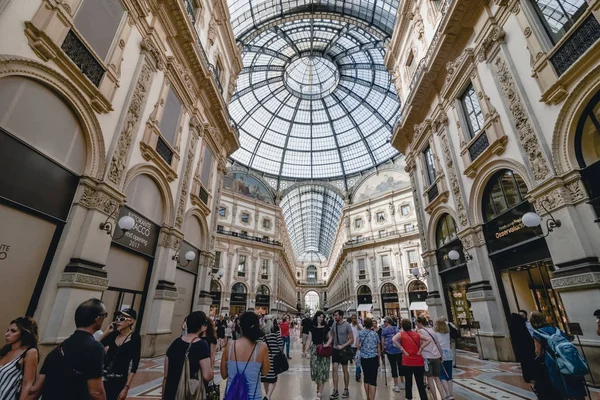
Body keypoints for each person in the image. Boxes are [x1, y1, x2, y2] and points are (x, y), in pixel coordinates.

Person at [36, 298, 108, 400]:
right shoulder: (95, 348)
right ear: (98, 319)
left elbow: (36, 389)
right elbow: (96, 392)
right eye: (105, 315)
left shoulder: (58, 348)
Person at [530, 311, 586, 400]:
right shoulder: (556, 329)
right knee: (574, 380)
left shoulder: (537, 333)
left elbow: (538, 352)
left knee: (560, 384)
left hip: (553, 361)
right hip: (569, 358)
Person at [162, 311, 213, 400]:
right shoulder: (201, 345)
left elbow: (166, 375)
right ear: (203, 327)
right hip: (189, 394)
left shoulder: (175, 343)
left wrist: (163, 396)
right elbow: (207, 375)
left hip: (171, 393)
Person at [221, 312, 270, 400]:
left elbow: (224, 375)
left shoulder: (230, 345)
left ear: (240, 327)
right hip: (254, 397)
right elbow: (265, 372)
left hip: (231, 396)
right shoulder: (262, 347)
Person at [99, 308, 141, 400]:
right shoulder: (113, 335)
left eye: (122, 319)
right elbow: (95, 347)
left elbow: (135, 365)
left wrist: (126, 388)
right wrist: (106, 333)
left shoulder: (135, 338)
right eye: (117, 318)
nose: (118, 321)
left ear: (131, 321)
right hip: (104, 379)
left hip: (119, 381)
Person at [0, 317, 38, 400]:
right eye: (7, 330)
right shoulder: (5, 351)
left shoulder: (30, 352)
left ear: (23, 333)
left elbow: (27, 385)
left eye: (13, 331)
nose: (7, 334)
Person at [392, 318, 430, 400]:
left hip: (407, 361)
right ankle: (424, 398)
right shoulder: (416, 334)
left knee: (408, 382)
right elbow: (428, 339)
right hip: (418, 361)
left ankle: (409, 397)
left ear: (402, 326)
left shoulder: (401, 334)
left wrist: (402, 349)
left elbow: (393, 339)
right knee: (420, 383)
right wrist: (421, 348)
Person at [416, 316, 446, 400]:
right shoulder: (432, 330)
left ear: (420, 322)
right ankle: (443, 397)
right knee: (437, 377)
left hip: (426, 357)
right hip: (436, 355)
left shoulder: (420, 331)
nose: (417, 325)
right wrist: (441, 355)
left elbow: (420, 344)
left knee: (429, 378)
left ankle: (435, 398)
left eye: (417, 323)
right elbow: (437, 344)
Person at [306, 311, 333, 400]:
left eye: (322, 317)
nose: (321, 318)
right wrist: (306, 350)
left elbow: (331, 337)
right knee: (315, 370)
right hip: (314, 350)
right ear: (316, 317)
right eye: (320, 317)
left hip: (323, 350)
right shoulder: (312, 327)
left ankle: (319, 393)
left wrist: (327, 344)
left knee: (323, 370)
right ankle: (319, 387)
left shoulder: (325, 327)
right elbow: (309, 339)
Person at [330, 309, 354, 399]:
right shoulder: (334, 324)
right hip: (335, 349)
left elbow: (352, 339)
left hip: (344, 350)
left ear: (341, 316)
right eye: (334, 316)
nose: (335, 317)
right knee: (334, 369)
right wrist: (328, 343)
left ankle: (346, 389)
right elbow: (331, 335)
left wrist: (343, 345)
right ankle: (335, 390)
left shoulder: (347, 325)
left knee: (345, 370)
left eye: (336, 315)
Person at [260, 316, 284, 400]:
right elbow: (280, 343)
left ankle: (268, 396)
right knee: (273, 379)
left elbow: (259, 343)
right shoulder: (276, 330)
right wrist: (281, 352)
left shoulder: (262, 331)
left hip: (264, 358)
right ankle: (268, 395)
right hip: (274, 358)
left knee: (266, 377)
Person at [508, 313, 536, 383]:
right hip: (527, 348)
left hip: (520, 350)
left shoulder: (512, 327)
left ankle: (527, 376)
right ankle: (531, 375)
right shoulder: (522, 327)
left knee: (524, 364)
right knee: (529, 362)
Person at [357, 318, 380, 400]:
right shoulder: (375, 334)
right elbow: (378, 347)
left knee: (366, 378)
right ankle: (372, 398)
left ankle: (367, 397)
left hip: (364, 358)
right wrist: (379, 358)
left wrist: (363, 350)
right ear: (371, 325)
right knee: (373, 379)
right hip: (373, 358)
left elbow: (357, 345)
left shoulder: (361, 333)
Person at [434, 317, 454, 400]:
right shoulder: (447, 332)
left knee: (442, 375)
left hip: (440, 353)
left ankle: (447, 394)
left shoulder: (436, 333)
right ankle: (451, 393)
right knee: (449, 375)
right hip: (449, 353)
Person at [381, 316, 404, 392]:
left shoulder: (384, 330)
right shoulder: (396, 329)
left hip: (390, 350)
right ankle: (402, 382)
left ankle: (396, 385)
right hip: (398, 349)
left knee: (393, 366)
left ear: (387, 322)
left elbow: (383, 340)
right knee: (400, 365)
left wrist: (383, 348)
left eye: (384, 322)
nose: (383, 323)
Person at [349, 314, 362, 382]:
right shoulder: (349, 326)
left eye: (355, 318)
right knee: (355, 360)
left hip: (358, 346)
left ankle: (357, 375)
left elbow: (362, 332)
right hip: (351, 345)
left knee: (357, 361)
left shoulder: (359, 325)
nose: (354, 320)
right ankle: (358, 372)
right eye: (353, 318)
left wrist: (358, 325)